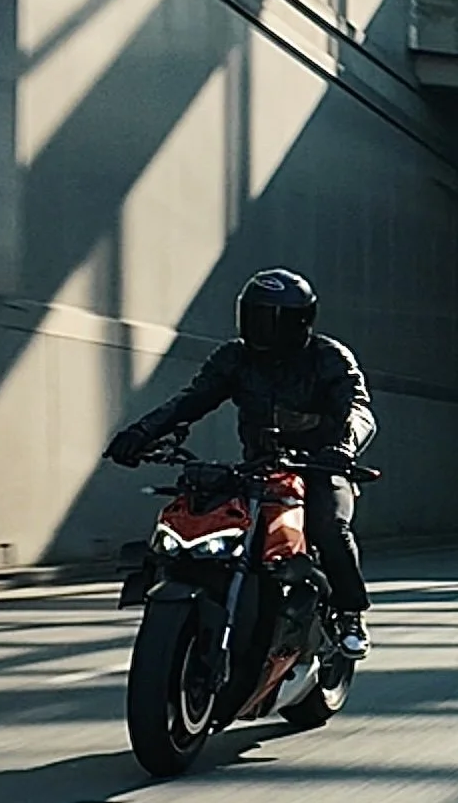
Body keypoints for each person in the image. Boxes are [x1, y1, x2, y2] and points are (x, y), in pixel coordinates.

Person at [105, 269, 376, 659]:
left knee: (329, 526)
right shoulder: (234, 357)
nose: (262, 328)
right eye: (255, 316)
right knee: (201, 514)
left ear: (301, 321)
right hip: (258, 468)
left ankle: (350, 613)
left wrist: (343, 449)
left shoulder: (328, 357)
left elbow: (358, 409)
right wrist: (141, 432)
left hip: (322, 466)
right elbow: (191, 400)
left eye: (274, 319)